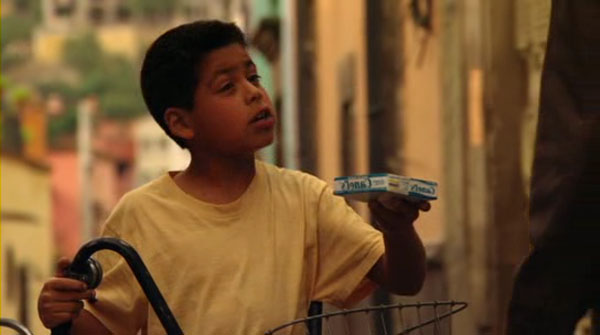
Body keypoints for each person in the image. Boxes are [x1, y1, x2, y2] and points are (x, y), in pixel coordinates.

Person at [37, 20, 431, 334]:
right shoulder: (140, 214)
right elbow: (108, 327)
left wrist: (397, 229)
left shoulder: (305, 198)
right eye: (227, 86)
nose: (254, 94)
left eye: (254, 77)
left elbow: (404, 278)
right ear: (182, 122)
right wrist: (64, 316)